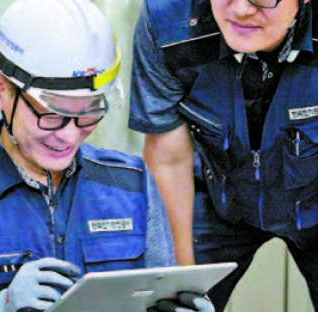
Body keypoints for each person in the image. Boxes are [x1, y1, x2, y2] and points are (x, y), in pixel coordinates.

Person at [0, 1, 214, 312]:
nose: (69, 135)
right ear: (1, 92)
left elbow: (156, 295)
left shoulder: (132, 185)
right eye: (51, 115)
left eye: (88, 114)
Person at [129, 0, 318, 310]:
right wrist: (183, 284)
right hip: (218, 197)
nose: (241, 9)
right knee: (168, 301)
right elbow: (168, 158)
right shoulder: (167, 22)